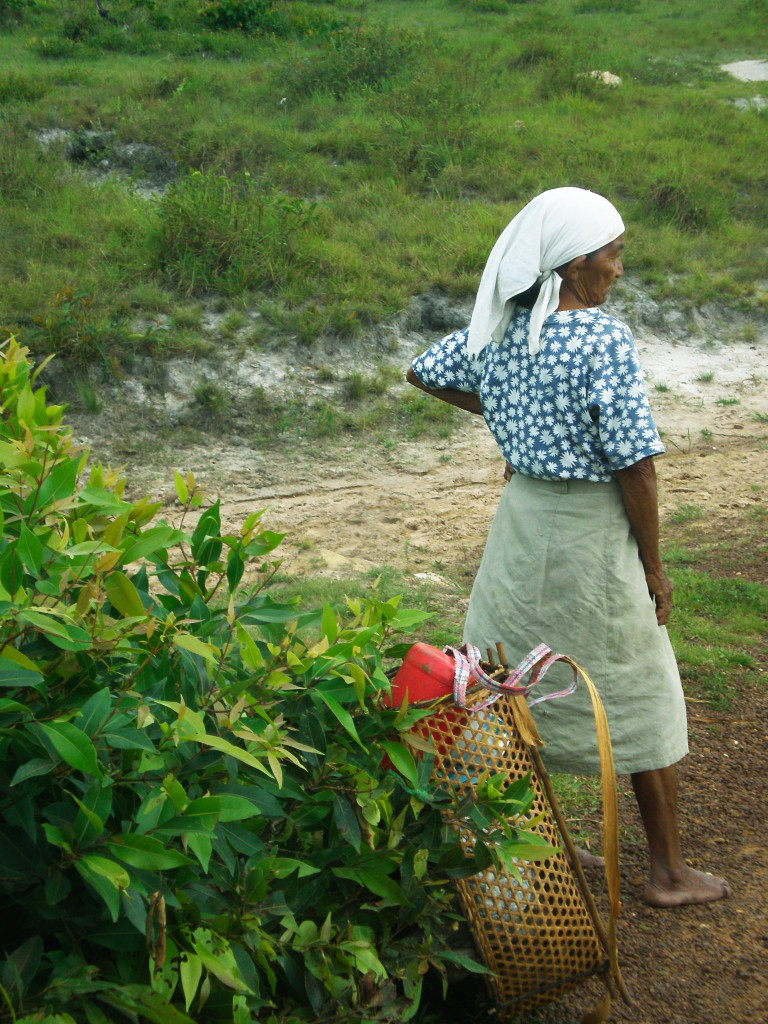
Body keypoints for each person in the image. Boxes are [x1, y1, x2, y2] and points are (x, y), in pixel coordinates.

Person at [406, 187, 730, 908]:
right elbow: (635, 464)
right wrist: (653, 564)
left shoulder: (500, 329)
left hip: (520, 532)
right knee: (638, 692)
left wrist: (517, 423)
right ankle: (668, 873)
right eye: (612, 255)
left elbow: (422, 369)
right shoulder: (601, 338)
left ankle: (544, 849)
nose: (618, 269)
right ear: (577, 262)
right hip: (592, 537)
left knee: (513, 687)